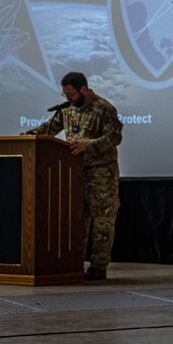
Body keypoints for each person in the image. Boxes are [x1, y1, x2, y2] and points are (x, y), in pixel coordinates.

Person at [27, 72, 123, 281]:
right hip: (75, 172)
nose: (68, 99)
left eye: (71, 94)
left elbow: (115, 137)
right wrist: (26, 138)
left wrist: (87, 145)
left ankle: (98, 266)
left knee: (102, 220)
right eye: (65, 95)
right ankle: (73, 263)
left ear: (84, 89)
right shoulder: (67, 110)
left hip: (101, 173)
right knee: (77, 220)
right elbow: (49, 129)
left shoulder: (104, 108)